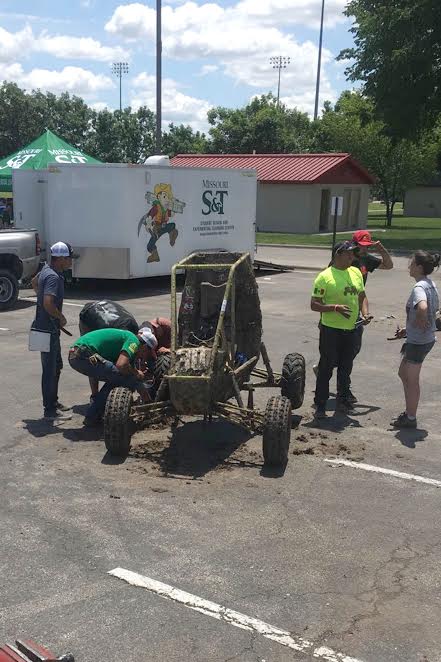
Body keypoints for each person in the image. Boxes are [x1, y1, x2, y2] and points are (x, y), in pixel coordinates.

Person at [311, 240, 371, 418]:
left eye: (354, 253)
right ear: (338, 254)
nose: (353, 256)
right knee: (326, 368)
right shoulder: (325, 277)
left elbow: (362, 296)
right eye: (349, 253)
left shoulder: (355, 272)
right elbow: (314, 304)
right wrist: (334, 308)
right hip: (331, 330)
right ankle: (320, 405)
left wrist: (365, 314)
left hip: (352, 329)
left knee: (346, 367)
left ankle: (343, 400)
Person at [68, 327, 159, 426]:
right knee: (123, 379)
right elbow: (121, 365)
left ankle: (94, 414)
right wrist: (137, 373)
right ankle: (92, 416)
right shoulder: (134, 341)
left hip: (76, 355)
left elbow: (125, 369)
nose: (144, 356)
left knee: (117, 378)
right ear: (145, 346)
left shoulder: (125, 341)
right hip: (84, 354)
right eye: (147, 353)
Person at [391, 251, 440, 429]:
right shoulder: (430, 283)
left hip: (419, 342)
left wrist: (421, 318)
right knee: (403, 373)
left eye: (411, 263)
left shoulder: (419, 287)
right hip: (421, 339)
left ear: (419, 267)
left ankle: (410, 418)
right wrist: (408, 329)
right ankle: (409, 413)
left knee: (412, 380)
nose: (409, 266)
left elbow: (423, 306)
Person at [31, 241, 77, 421]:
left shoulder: (46, 270)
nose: (71, 261)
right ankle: (49, 410)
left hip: (44, 328)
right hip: (47, 330)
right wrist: (60, 317)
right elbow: (48, 303)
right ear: (61, 259)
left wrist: (41, 298)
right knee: (50, 369)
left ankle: (53, 401)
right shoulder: (53, 277)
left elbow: (34, 283)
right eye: (69, 258)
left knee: (56, 366)